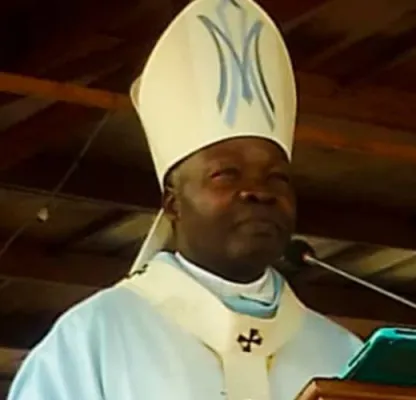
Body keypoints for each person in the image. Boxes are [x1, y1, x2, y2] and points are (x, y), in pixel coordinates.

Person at [7, 0, 363, 399]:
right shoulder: (95, 338)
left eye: (277, 176)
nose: (259, 191)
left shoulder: (345, 357)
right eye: (226, 173)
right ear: (173, 203)